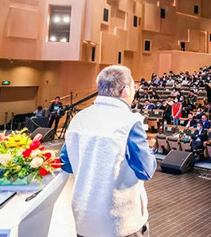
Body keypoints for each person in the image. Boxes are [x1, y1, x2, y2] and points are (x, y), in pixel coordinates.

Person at [60, 65, 156, 237]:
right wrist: (150, 149)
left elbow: (66, 164)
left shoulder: (78, 119)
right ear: (125, 90)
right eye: (134, 87)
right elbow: (146, 171)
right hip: (121, 222)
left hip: (84, 219)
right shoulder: (130, 122)